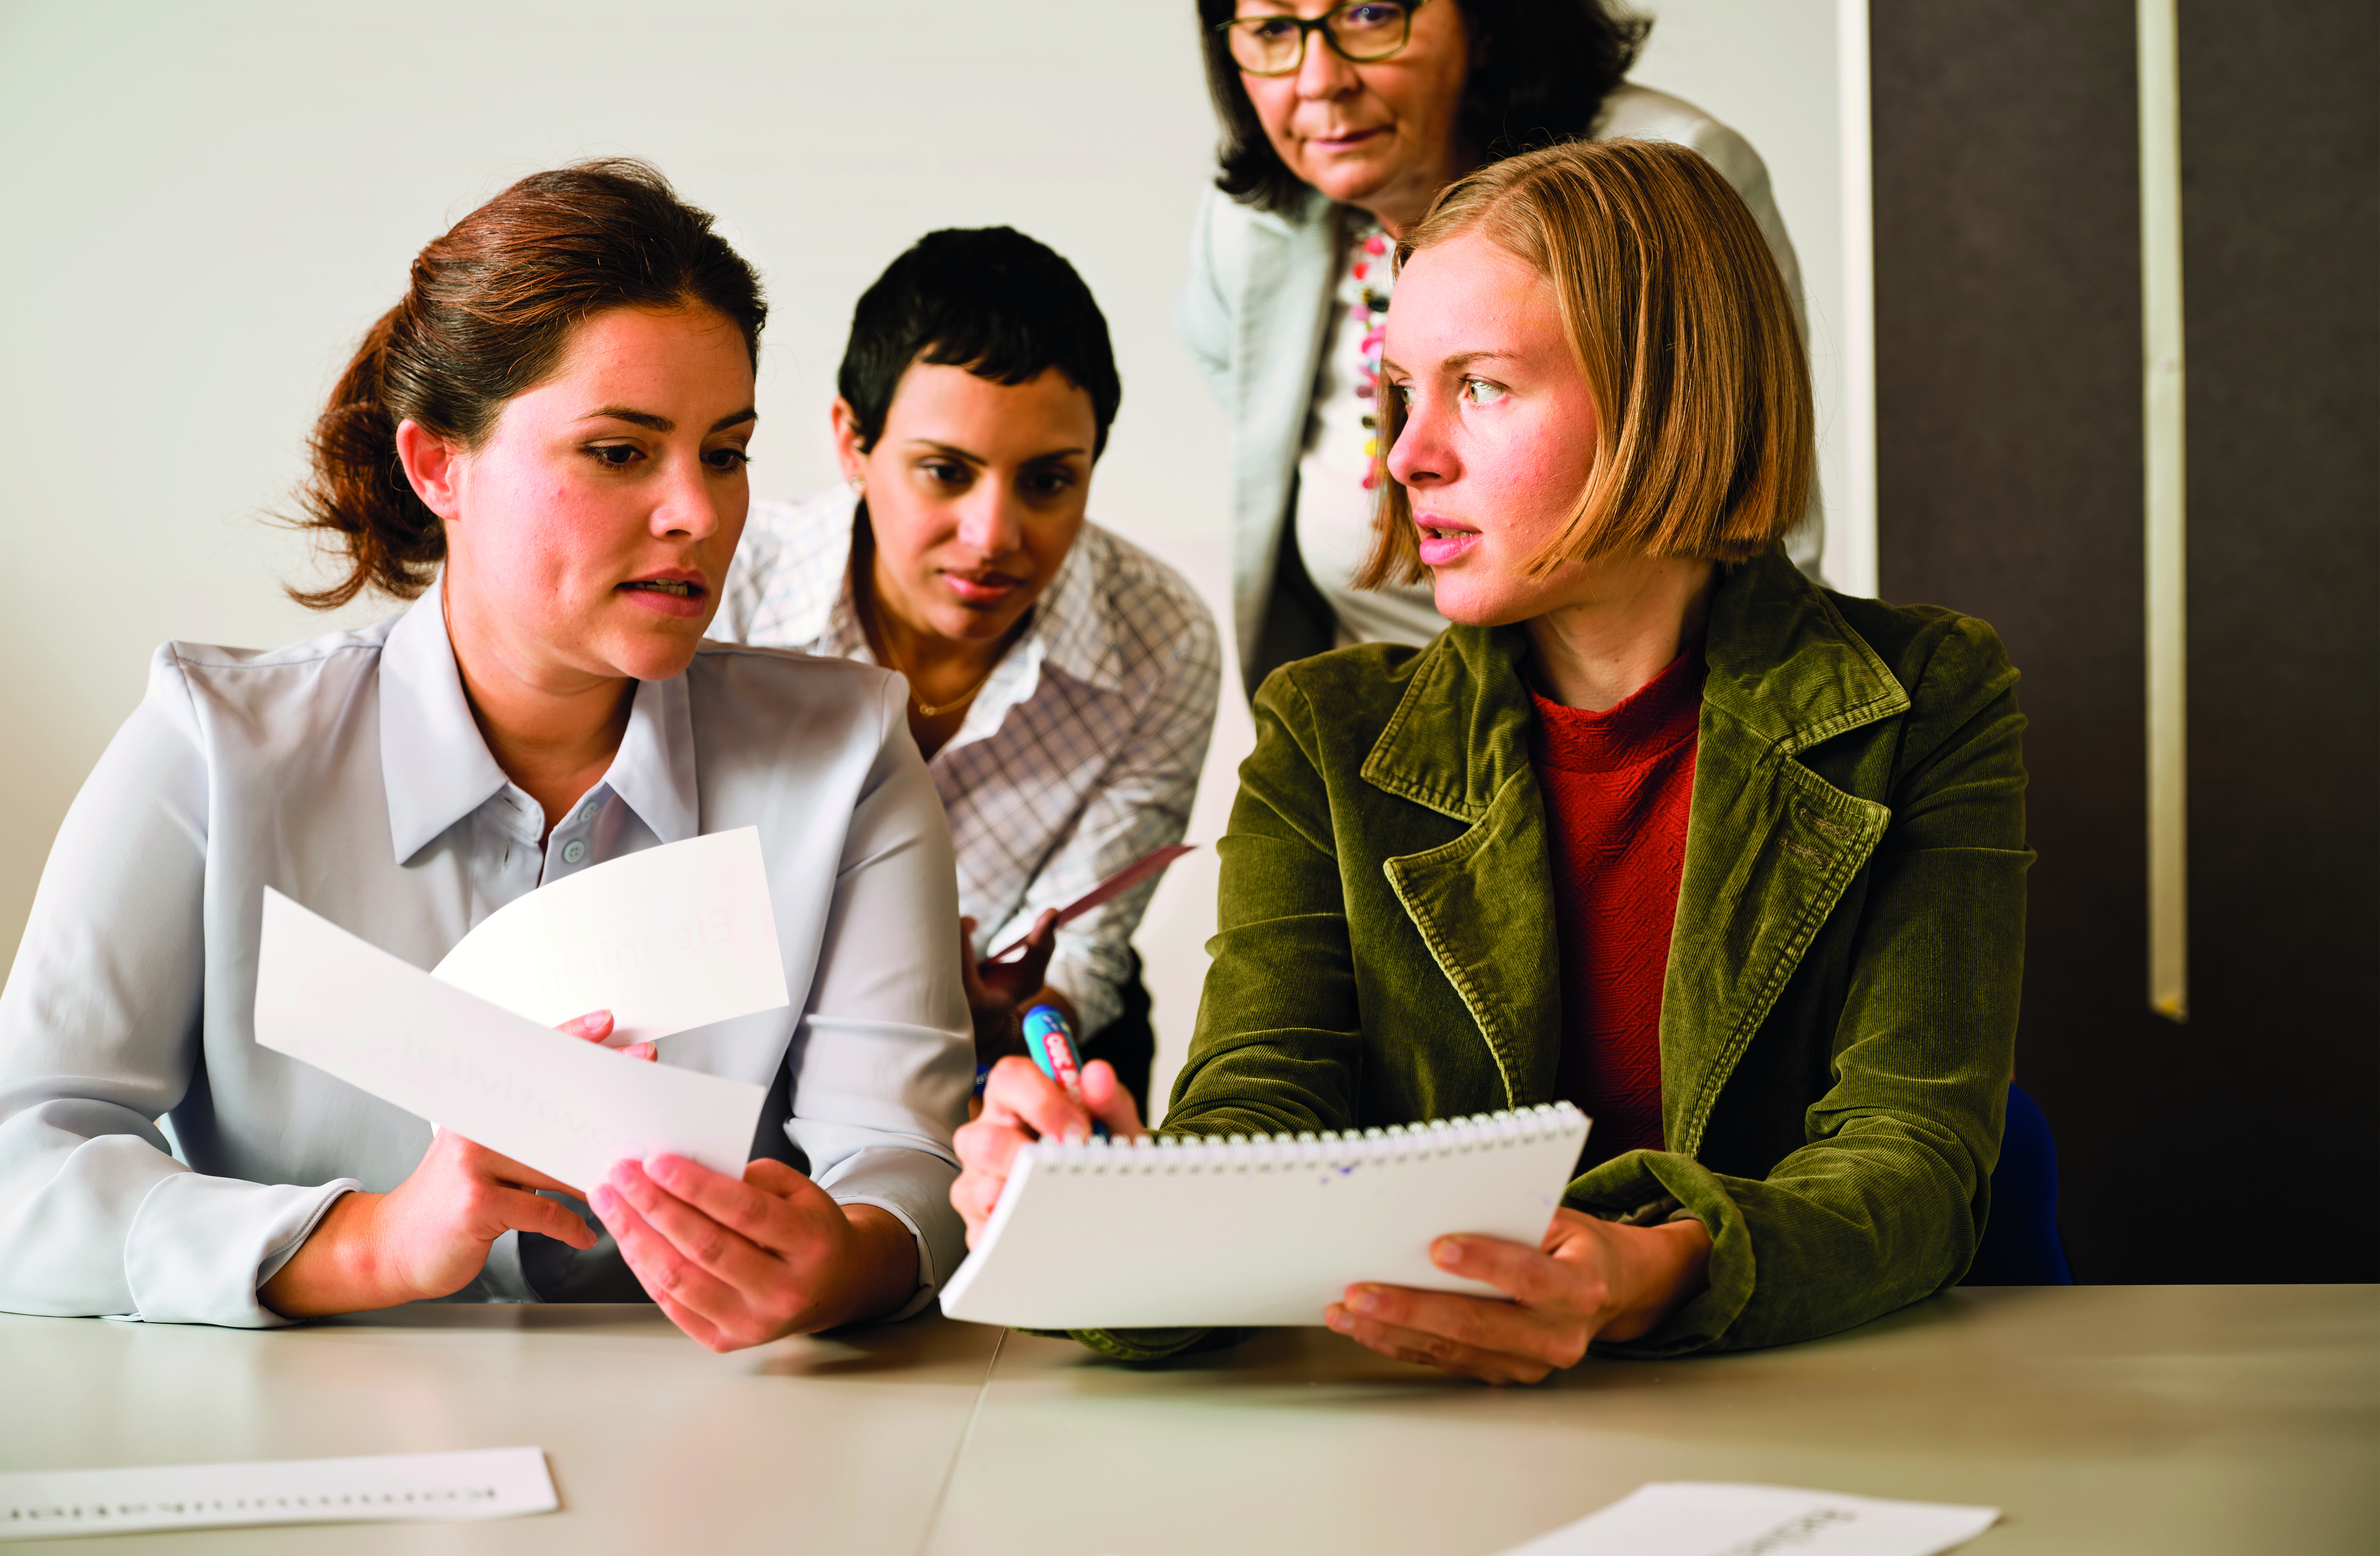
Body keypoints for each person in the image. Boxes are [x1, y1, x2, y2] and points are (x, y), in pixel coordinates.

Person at [956, 139, 2028, 1380]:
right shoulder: (1326, 730)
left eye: (1480, 388)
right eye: (1399, 392)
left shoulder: (1927, 696)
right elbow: (1258, 1113)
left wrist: (1658, 1271)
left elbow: (1912, 1159)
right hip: (1434, 1438)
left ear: (1664, 397)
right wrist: (1098, 1224)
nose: (1406, 456)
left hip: (1794, 1404)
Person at [0, 162, 974, 1349]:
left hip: (715, 1471)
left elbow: (902, 1162)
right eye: (621, 452)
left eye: (725, 451)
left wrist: (849, 1260)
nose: (699, 514)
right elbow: (20, 1174)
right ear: (437, 466)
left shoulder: (849, 756)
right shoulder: (213, 751)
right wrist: (368, 1240)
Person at [1182, 0, 1822, 697]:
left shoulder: (1673, 175)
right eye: (1273, 31)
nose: (1318, 81)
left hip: (1637, 733)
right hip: (1383, 744)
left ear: (1481, 15)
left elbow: (1759, 519)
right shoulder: (1257, 228)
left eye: (1370, 15)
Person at [714, 228, 1220, 1104]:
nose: (994, 537)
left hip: (1012, 1043)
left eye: (1048, 482)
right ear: (852, 442)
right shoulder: (728, 586)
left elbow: (1090, 952)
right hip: (742, 1027)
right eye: (946, 472)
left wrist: (1012, 1020)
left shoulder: (1161, 637)